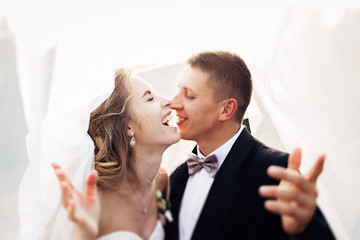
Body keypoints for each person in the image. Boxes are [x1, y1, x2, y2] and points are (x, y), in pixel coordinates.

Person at [166, 51, 335, 240]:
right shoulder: (177, 177)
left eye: (188, 95)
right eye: (178, 90)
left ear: (226, 109)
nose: (173, 103)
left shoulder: (276, 172)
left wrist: (301, 230)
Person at [52, 68, 180, 239]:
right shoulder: (93, 199)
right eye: (150, 98)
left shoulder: (161, 181)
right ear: (128, 126)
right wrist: (84, 233)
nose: (169, 101)